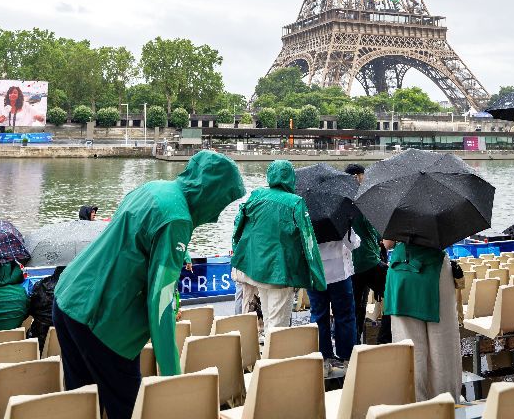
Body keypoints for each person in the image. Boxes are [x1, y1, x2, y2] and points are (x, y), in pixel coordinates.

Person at [53, 150, 245, 419]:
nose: (217, 215)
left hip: (68, 296)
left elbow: (133, 236)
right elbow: (161, 301)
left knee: (82, 402)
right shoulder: (178, 218)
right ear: (209, 192)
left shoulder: (154, 188)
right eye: (222, 203)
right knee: (131, 408)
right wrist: (172, 378)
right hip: (103, 320)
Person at [231, 160, 325, 333]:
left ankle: (267, 355)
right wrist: (318, 279)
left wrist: (238, 252)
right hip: (280, 271)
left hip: (256, 269)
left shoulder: (256, 195)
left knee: (268, 317)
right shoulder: (296, 202)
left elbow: (238, 226)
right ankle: (274, 358)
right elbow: (308, 240)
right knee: (278, 326)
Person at [383, 239, 461, 401]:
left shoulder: (398, 213)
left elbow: (388, 244)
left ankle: (416, 406)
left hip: (403, 270)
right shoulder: (440, 212)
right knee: (442, 347)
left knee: (411, 350)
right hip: (436, 270)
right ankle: (445, 405)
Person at [346, 163, 389, 344]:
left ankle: (353, 349)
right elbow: (376, 232)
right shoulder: (363, 201)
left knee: (356, 308)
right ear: (357, 177)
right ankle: (385, 339)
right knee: (394, 294)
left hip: (350, 266)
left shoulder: (343, 201)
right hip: (368, 261)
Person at [308, 225, 360, 374]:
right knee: (345, 316)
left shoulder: (304, 214)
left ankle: (323, 360)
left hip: (315, 273)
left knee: (319, 317)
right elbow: (352, 243)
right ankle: (348, 358)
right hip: (340, 273)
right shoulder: (336, 216)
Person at [27, 266, 65, 353]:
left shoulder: (40, 285)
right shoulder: (78, 289)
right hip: (68, 340)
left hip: (40, 337)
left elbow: (31, 310)